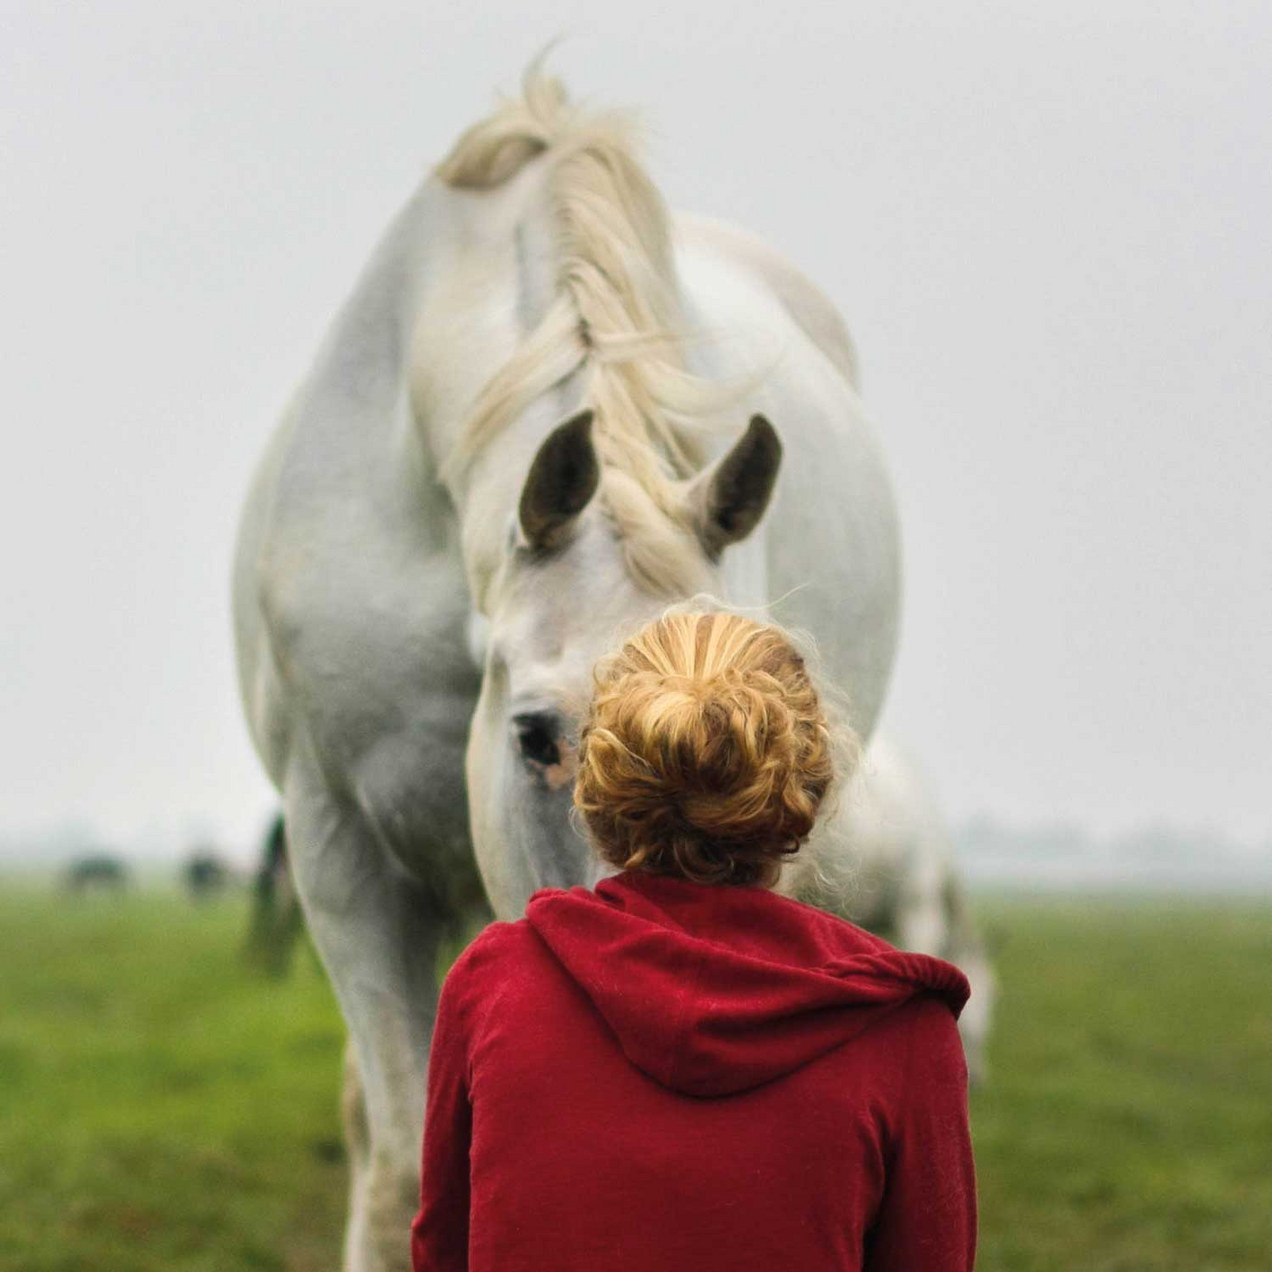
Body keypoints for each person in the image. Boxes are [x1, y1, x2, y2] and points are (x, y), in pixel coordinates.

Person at [411, 611, 977, 1271]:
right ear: (808, 784)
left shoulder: (494, 985)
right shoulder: (902, 1032)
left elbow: (441, 1253)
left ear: (602, 779)